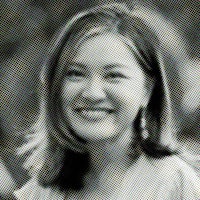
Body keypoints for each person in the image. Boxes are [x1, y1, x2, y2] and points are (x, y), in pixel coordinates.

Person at [14, 3, 200, 199]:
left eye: (113, 76)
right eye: (76, 74)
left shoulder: (173, 184)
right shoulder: (43, 190)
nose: (93, 93)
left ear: (147, 90)